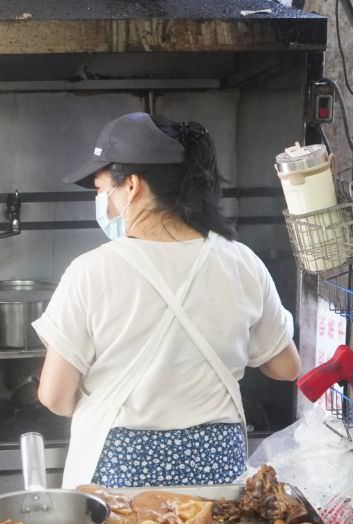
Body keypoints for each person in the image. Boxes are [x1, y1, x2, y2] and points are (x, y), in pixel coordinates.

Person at [32, 112, 300, 489]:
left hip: (123, 481)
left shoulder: (92, 271)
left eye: (102, 189)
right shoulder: (241, 262)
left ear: (132, 187)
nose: (102, 202)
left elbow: (55, 396)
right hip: (217, 477)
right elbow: (286, 367)